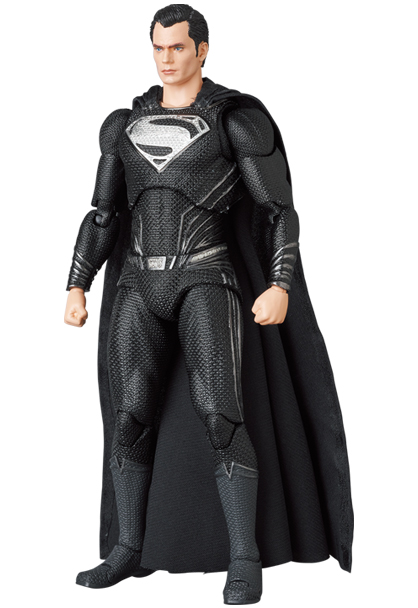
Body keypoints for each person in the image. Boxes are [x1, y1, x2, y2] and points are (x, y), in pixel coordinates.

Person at [64, 4, 354, 605]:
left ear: (202, 50)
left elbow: (278, 212)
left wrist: (279, 284)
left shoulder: (234, 122)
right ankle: (128, 547)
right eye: (158, 47)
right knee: (129, 414)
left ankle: (244, 556)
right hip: (139, 284)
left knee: (221, 415)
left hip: (206, 279)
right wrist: (77, 282)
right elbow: (104, 214)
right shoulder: (124, 125)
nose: (166, 59)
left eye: (178, 47)